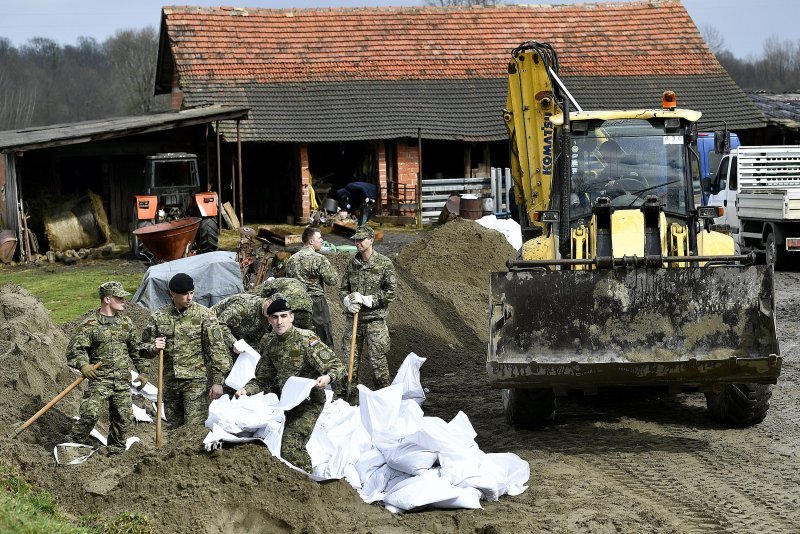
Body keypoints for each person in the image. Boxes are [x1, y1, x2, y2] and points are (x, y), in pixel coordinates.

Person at [235, 299, 344, 472]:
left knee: (291, 445)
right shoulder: (271, 346)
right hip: (288, 404)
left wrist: (327, 378)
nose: (280, 321)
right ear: (269, 320)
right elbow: (263, 379)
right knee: (285, 446)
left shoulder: (306, 339)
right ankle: (305, 480)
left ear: (292, 317)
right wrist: (245, 390)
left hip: (310, 402)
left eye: (284, 316)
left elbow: (336, 366)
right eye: (275, 317)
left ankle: (307, 484)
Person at [65, 281, 147, 454]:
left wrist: (143, 371)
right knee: (90, 414)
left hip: (122, 382)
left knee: (123, 418)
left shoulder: (126, 323)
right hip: (100, 380)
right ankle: (71, 446)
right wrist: (83, 365)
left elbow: (136, 350)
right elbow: (75, 349)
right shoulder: (91, 325)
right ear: (107, 299)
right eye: (120, 297)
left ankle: (116, 451)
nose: (124, 301)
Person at [140, 273, 231, 427]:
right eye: (184, 294)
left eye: (191, 293)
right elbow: (142, 349)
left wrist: (217, 382)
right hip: (170, 382)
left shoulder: (205, 315)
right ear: (172, 293)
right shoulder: (159, 317)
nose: (189, 298)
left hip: (196, 382)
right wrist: (154, 347)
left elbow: (216, 349)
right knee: (175, 428)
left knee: (193, 429)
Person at [339, 225, 397, 394]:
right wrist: (347, 301)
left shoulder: (384, 264)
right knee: (348, 361)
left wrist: (367, 300)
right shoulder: (352, 263)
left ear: (371, 240)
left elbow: (391, 293)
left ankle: (384, 397)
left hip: (374, 321)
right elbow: (343, 288)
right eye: (356, 239)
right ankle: (347, 398)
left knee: (378, 362)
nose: (357, 242)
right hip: (353, 319)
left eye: (361, 239)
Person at [285, 226, 339, 347]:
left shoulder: (291, 260)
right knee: (323, 337)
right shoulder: (319, 259)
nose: (322, 240)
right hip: (316, 303)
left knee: (301, 338)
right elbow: (333, 280)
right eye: (319, 238)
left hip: (296, 303)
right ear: (311, 241)